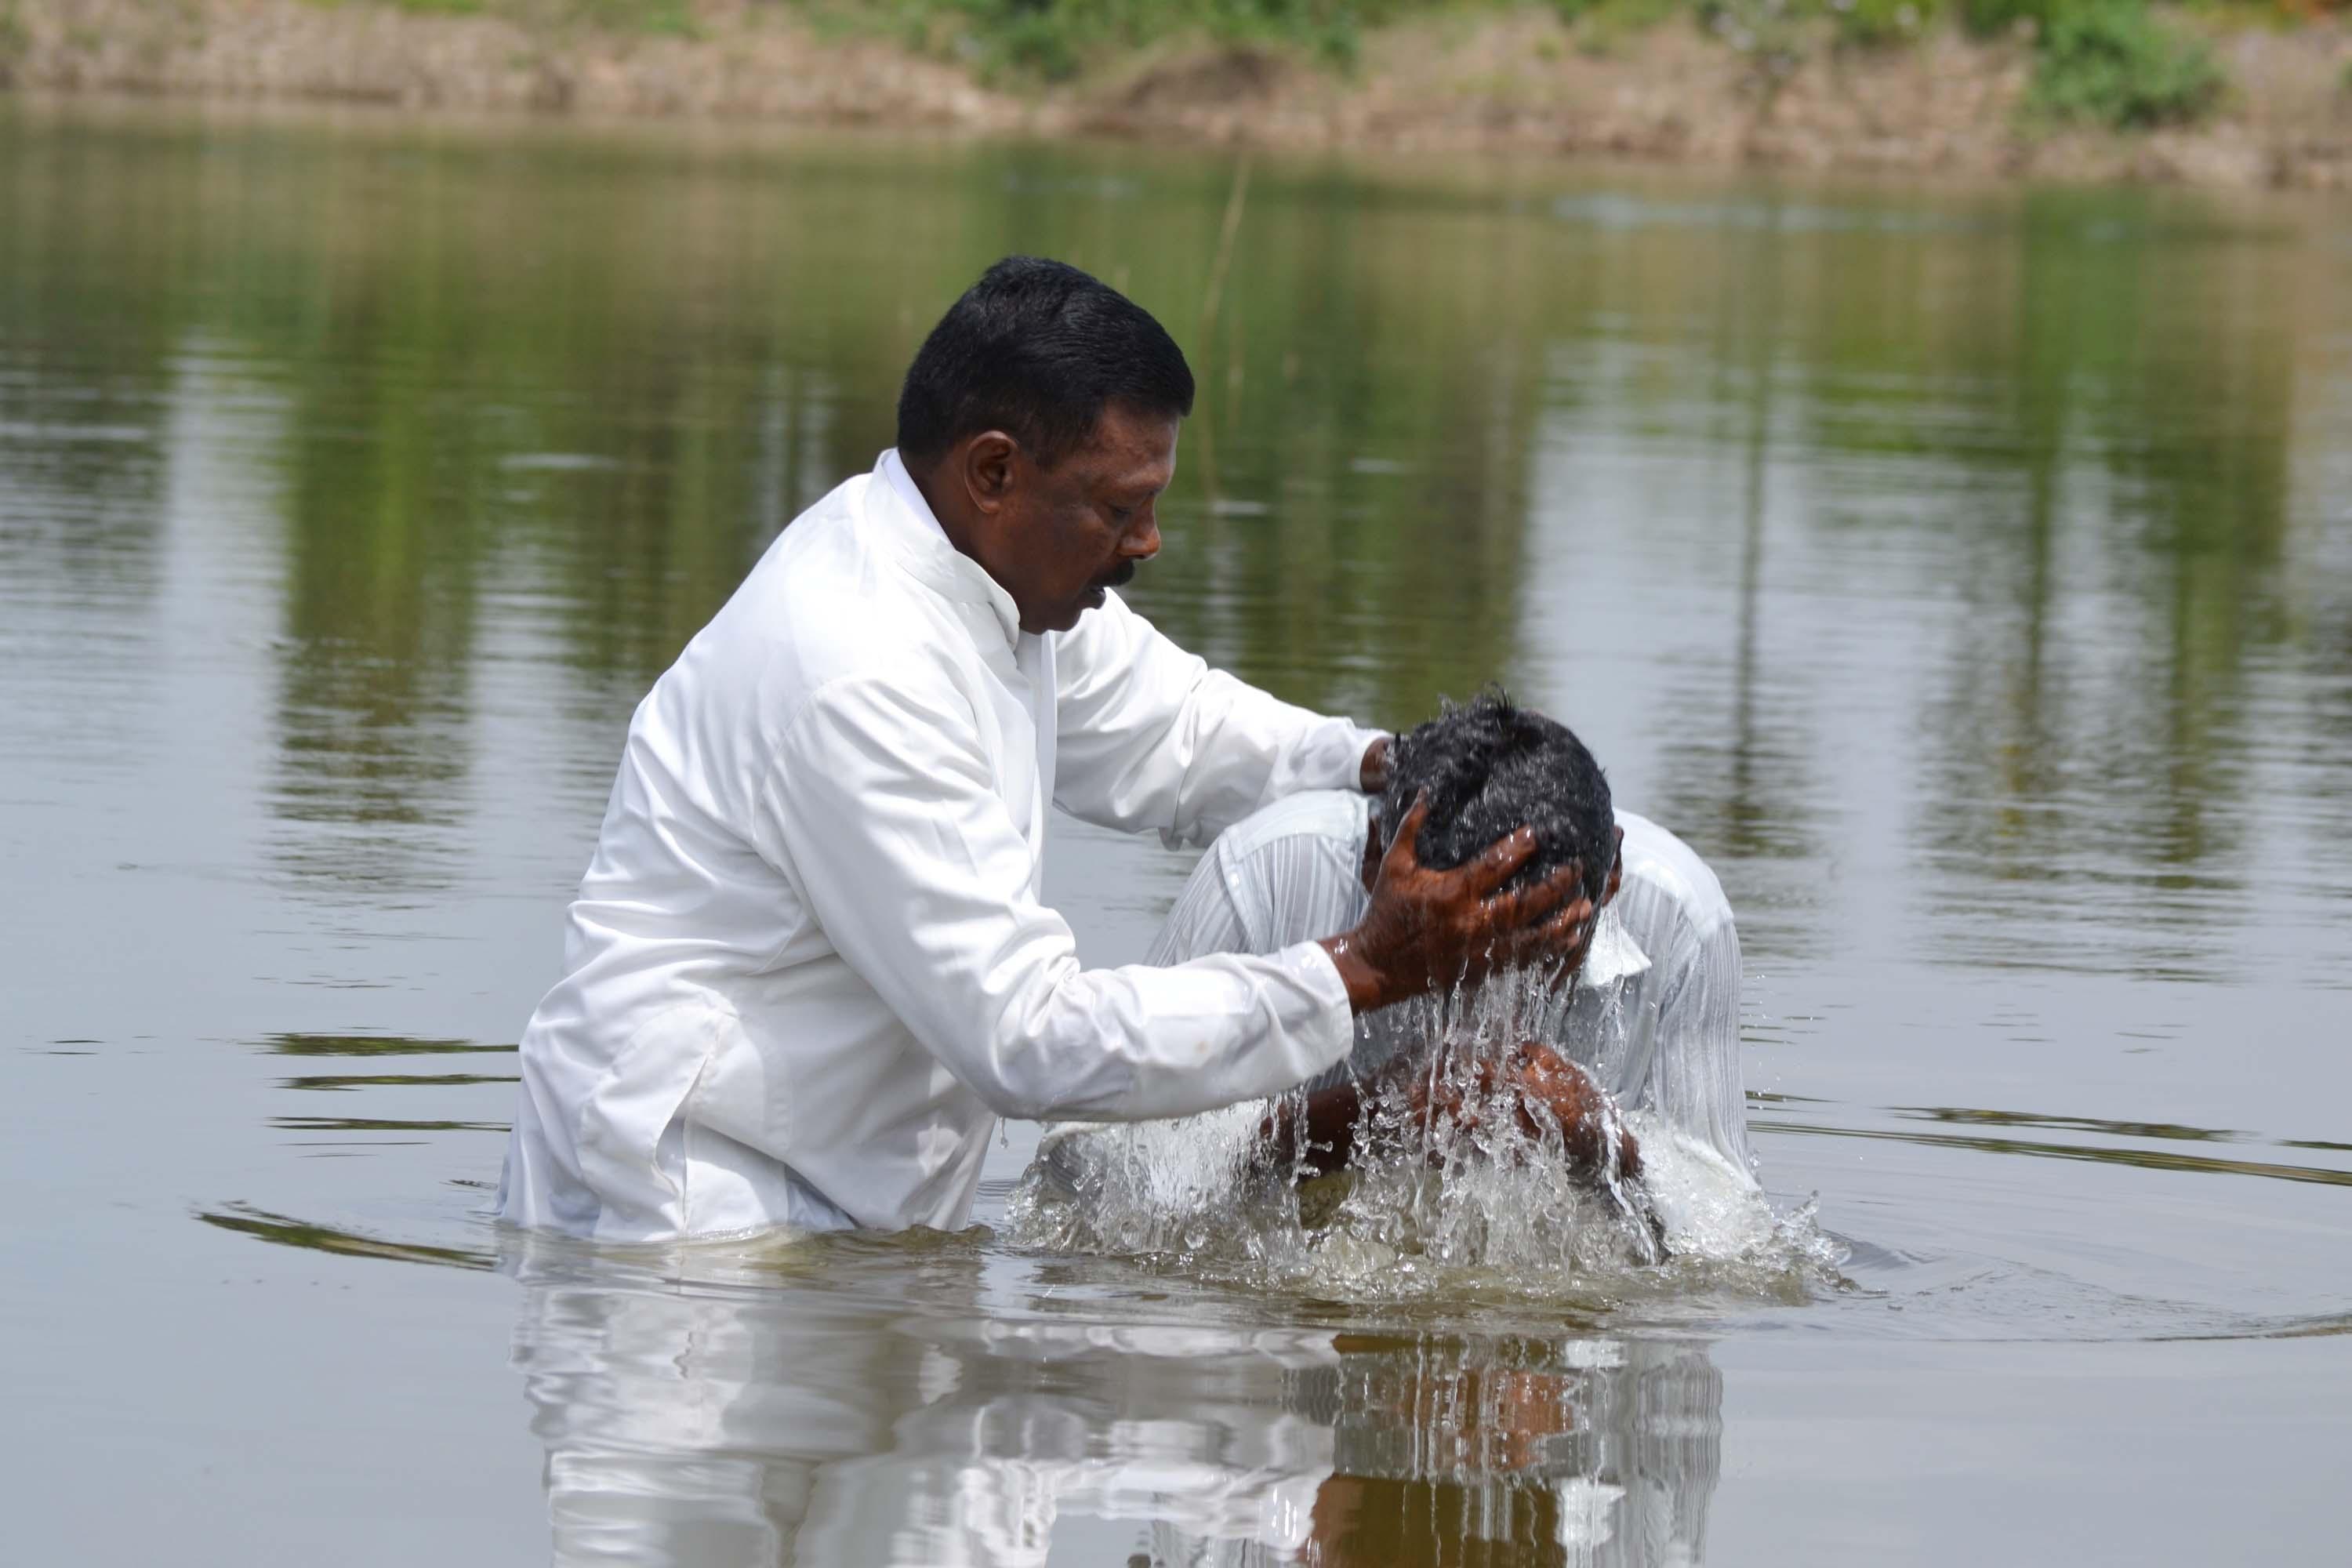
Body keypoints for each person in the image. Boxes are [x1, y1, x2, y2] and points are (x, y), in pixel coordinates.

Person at [496, 259, 1597, 1243]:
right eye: (1121, 507)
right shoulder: (857, 665)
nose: (1149, 543)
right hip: (684, 1228)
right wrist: (1364, 967)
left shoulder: (1000, 586)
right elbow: (1029, 1039)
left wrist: (1404, 768)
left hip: (828, 1203)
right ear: (993, 472)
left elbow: (1175, 726)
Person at [1033, 692, 1754, 1219]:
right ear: (1377, 864)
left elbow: (1732, 1225)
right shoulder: (1266, 877)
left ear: (1614, 881)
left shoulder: (1683, 921)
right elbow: (1082, 1166)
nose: (1487, 1004)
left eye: (1538, 954)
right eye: (1454, 949)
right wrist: (1340, 1123)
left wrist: (1602, 1138)